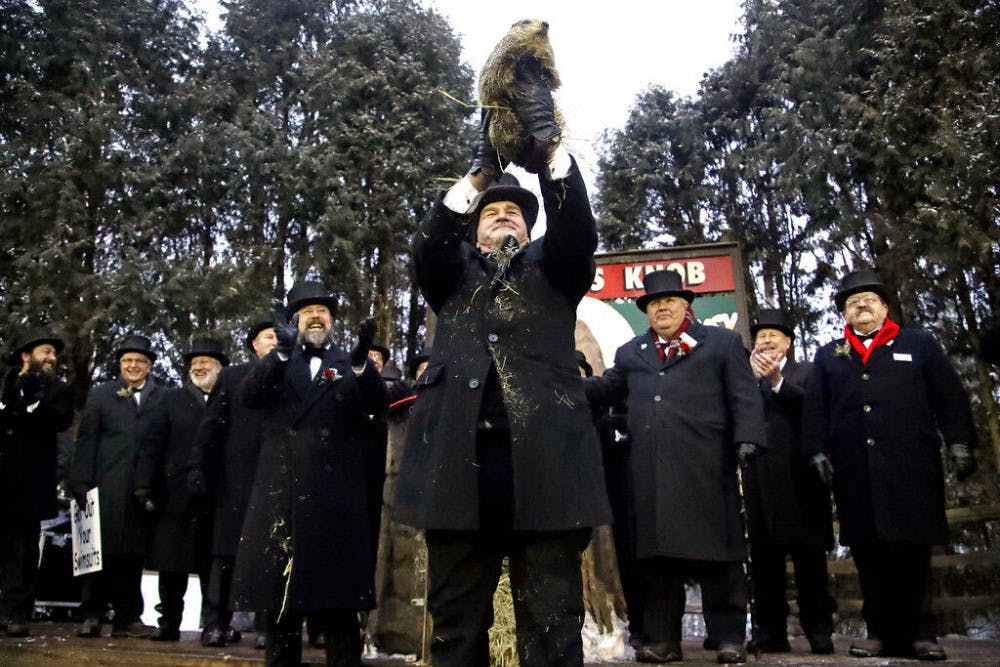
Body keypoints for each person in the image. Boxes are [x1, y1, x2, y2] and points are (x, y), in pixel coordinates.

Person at [393, 77, 612, 666]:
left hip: (545, 472)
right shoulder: (451, 274)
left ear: (530, 227)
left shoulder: (556, 268)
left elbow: (577, 231)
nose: (504, 217)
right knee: (457, 630)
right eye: (493, 212)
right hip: (458, 476)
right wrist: (478, 176)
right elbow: (428, 245)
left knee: (550, 627)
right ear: (476, 226)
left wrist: (548, 151)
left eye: (516, 212)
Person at [585, 269, 766, 664]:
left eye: (668, 301)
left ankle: (730, 636)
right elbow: (608, 387)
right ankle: (663, 639)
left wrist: (748, 438)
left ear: (687, 305)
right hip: (652, 472)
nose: (661, 307)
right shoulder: (632, 353)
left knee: (720, 554)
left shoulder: (722, 344)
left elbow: (745, 397)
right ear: (646, 313)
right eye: (652, 303)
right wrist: (568, 381)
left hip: (707, 466)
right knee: (658, 561)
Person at [802, 269, 977, 661]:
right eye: (852, 302)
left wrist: (961, 442)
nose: (860, 305)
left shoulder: (919, 344)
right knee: (869, 552)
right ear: (844, 314)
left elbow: (948, 396)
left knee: (912, 551)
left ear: (884, 306)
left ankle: (921, 634)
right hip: (855, 470)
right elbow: (815, 409)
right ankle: (878, 631)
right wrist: (815, 450)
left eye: (868, 299)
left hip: (910, 467)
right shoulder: (830, 355)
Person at [231, 281, 387, 667]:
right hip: (285, 501)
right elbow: (249, 398)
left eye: (323, 310)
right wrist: (279, 355)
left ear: (332, 321)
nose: (315, 316)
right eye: (306, 311)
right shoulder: (280, 363)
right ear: (292, 322)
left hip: (336, 503)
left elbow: (375, 407)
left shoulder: (347, 363)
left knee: (340, 612)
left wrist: (361, 366)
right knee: (282, 610)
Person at [742, 309, 836, 654]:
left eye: (773, 336)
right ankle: (771, 631)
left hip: (802, 480)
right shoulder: (744, 377)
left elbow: (814, 409)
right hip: (760, 481)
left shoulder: (808, 372)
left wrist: (777, 382)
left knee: (810, 562)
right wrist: (754, 382)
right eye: (760, 336)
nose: (765, 341)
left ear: (789, 343)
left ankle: (819, 630)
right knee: (765, 564)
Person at [187, 313, 278, 648]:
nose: (273, 341)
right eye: (267, 336)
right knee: (225, 558)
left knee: (272, 555)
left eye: (278, 336)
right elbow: (210, 426)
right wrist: (197, 466)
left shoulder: (295, 378)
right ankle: (215, 623)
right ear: (254, 344)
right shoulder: (233, 377)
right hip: (234, 481)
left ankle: (269, 627)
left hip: (275, 480)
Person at [133, 337, 229, 641]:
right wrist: (144, 487)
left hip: (216, 496)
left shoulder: (229, 399)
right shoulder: (170, 400)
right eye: (194, 363)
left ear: (220, 368)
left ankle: (214, 624)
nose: (199, 367)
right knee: (170, 564)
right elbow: (152, 446)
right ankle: (169, 622)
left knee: (212, 566)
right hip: (174, 496)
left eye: (206, 362)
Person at [68, 334, 162, 638]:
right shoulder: (102, 395)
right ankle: (92, 613)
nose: (132, 366)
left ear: (149, 366)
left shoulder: (161, 397)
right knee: (99, 553)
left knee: (132, 556)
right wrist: (80, 481)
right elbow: (86, 440)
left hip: (141, 489)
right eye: (127, 361)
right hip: (106, 485)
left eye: (139, 361)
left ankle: (127, 617)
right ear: (120, 365)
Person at [0, 326, 74, 637]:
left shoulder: (57, 389)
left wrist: (31, 402)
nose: (52, 358)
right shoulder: (5, 385)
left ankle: (18, 613)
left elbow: (60, 419)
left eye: (53, 353)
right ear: (25, 355)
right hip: (1, 482)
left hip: (29, 485)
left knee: (23, 550)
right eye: (46, 352)